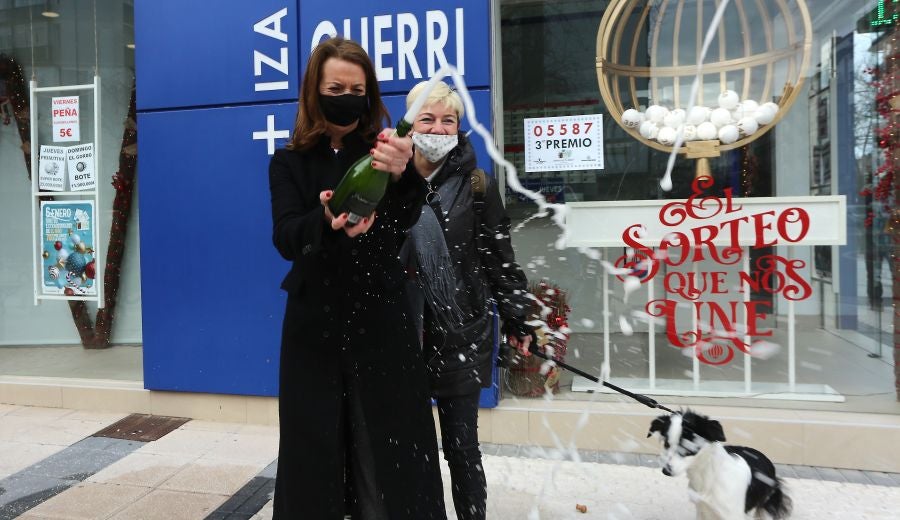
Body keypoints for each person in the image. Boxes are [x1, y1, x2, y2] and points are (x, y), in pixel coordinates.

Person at [268, 37, 446, 520]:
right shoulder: (289, 161)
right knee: (314, 449)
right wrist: (325, 220)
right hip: (313, 324)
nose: (346, 95)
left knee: (387, 445)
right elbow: (285, 236)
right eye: (335, 86)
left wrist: (406, 174)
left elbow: (406, 218)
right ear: (314, 91)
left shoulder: (385, 151)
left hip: (380, 317)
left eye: (357, 87)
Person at [401, 80, 536, 520]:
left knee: (461, 449)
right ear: (410, 123)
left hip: (460, 334)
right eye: (428, 118)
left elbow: (500, 260)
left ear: (459, 127)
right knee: (407, 449)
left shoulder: (478, 185)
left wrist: (519, 320)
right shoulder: (387, 180)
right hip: (399, 337)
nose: (438, 129)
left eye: (448, 120)